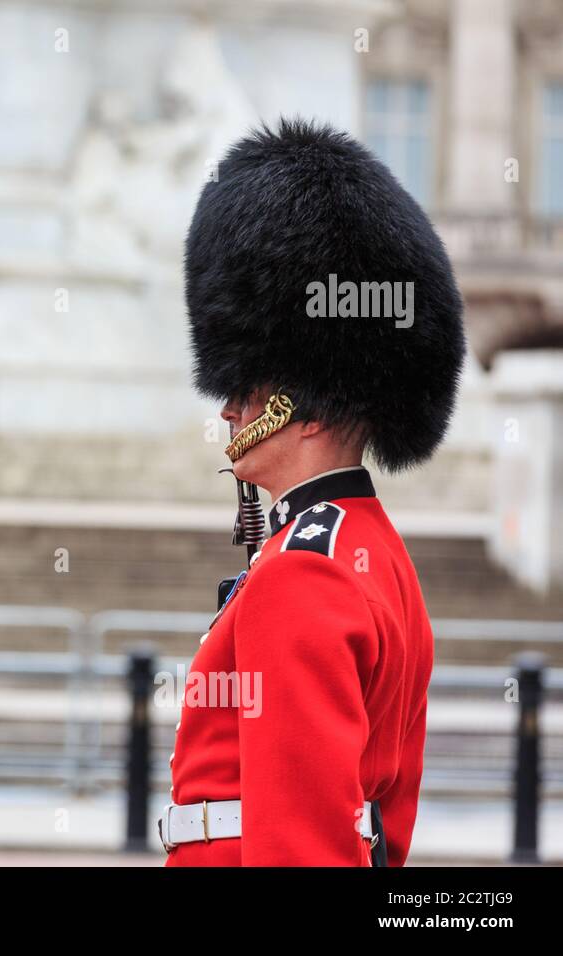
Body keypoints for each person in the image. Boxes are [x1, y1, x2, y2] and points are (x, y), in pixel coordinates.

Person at [159, 118, 465, 866]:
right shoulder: (373, 551)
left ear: (314, 405)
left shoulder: (303, 572)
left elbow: (299, 842)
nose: (228, 407)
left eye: (248, 383)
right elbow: (380, 818)